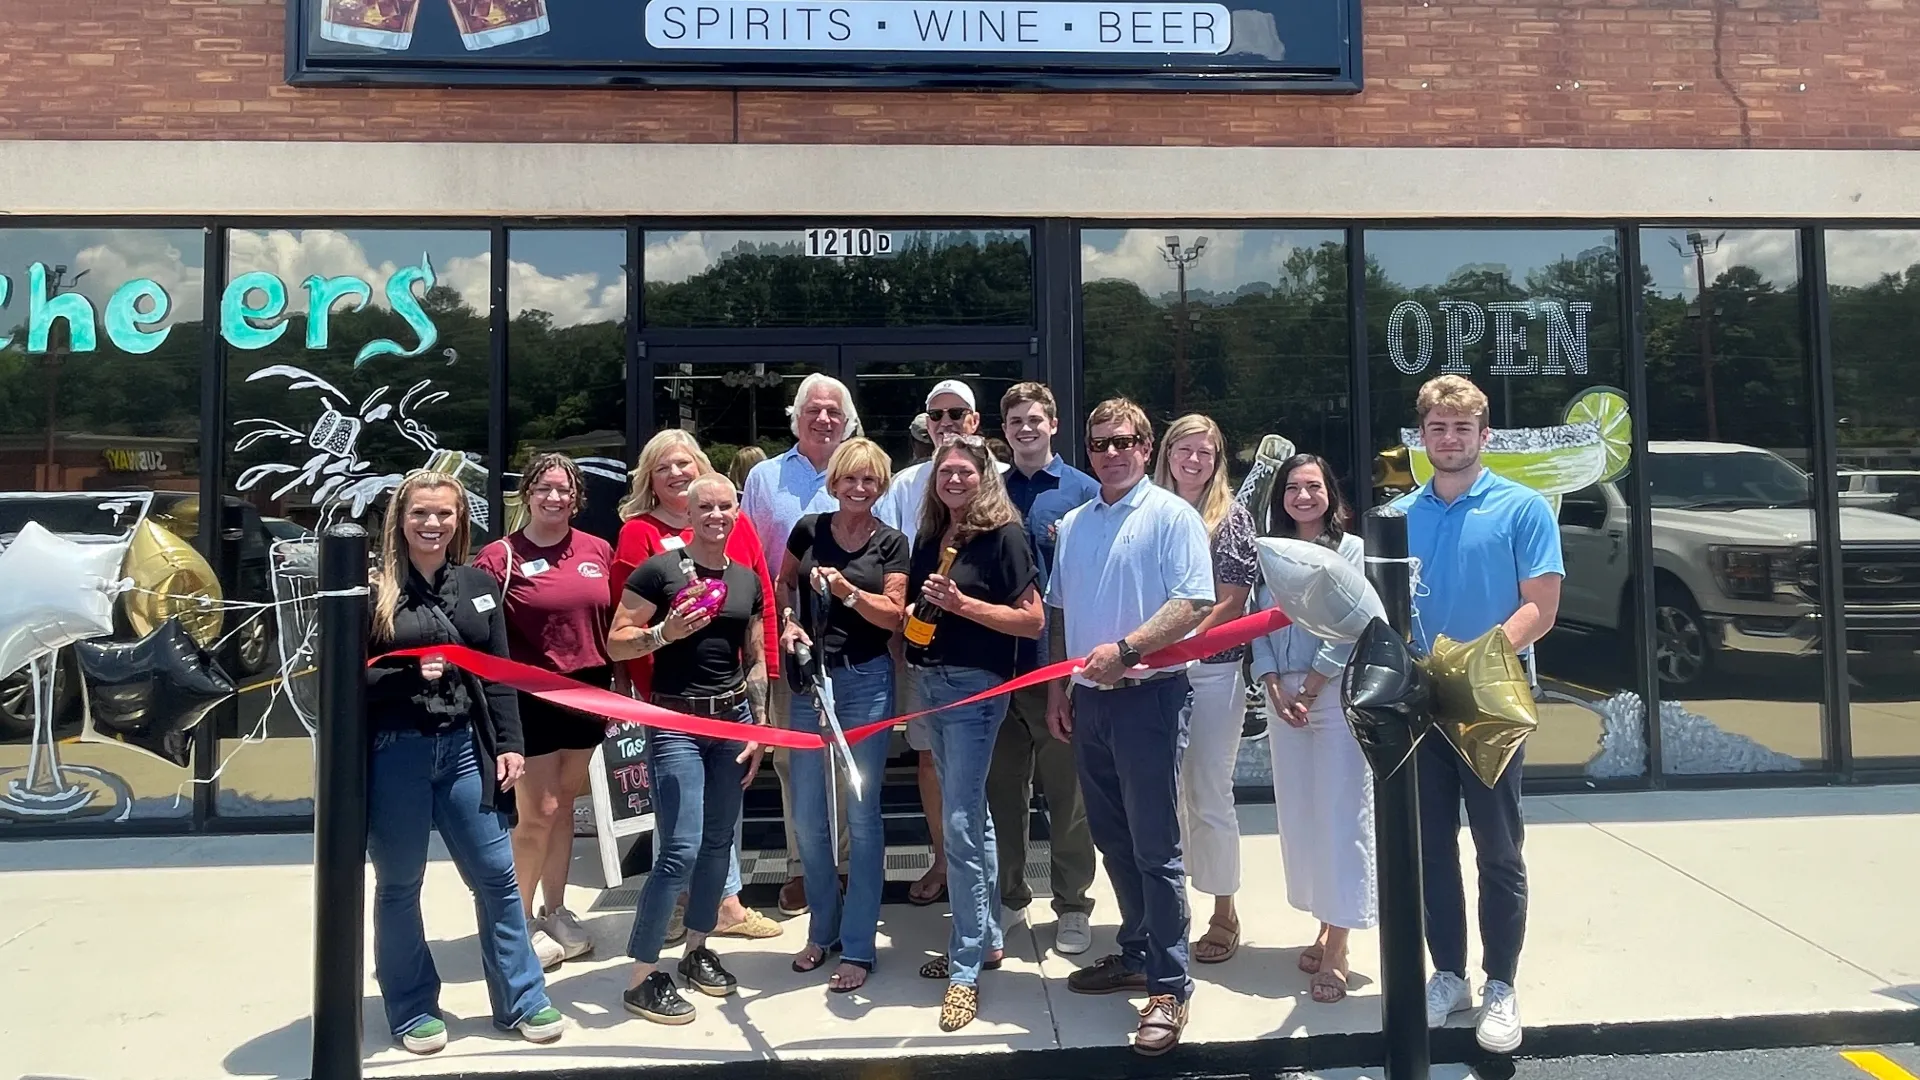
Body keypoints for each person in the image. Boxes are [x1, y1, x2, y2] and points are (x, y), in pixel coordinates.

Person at [364, 470, 566, 1054]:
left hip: (463, 750)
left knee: (498, 878)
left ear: (460, 521)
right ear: (400, 520)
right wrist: (402, 675)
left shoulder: (478, 584)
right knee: (401, 883)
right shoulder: (373, 590)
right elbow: (341, 684)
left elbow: (499, 675)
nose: (432, 524)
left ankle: (522, 999)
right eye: (420, 513)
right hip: (395, 752)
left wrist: (510, 743)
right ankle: (410, 1007)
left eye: (444, 514)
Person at [1393, 374, 1562, 1054]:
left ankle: (1501, 985)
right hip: (1421, 702)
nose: (1450, 438)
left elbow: (1539, 611)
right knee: (1432, 847)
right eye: (1438, 427)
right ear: (1422, 436)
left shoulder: (1523, 509)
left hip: (1489, 702)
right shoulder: (1399, 513)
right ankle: (1449, 976)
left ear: (1483, 436)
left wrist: (1471, 662)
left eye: (1462, 428)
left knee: (1497, 849)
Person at [1046, 398, 1213, 1057]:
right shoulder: (1076, 522)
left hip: (1149, 699)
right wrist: (1063, 686)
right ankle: (1137, 951)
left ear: (1146, 447)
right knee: (1113, 841)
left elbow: (1195, 601)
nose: (1111, 453)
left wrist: (1129, 651)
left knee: (1156, 849)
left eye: (1124, 442)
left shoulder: (1172, 516)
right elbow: (1060, 612)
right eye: (1099, 444)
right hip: (1089, 704)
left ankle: (1169, 987)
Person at [608, 472, 769, 1025]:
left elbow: (755, 655)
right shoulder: (660, 570)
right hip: (675, 721)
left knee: (719, 843)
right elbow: (617, 637)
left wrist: (760, 725)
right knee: (679, 846)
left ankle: (696, 948)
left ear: (737, 511)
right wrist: (663, 635)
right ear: (689, 511)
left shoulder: (746, 578)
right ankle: (640, 976)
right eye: (707, 507)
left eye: (726, 507)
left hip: (733, 722)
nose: (717, 516)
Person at [903, 435, 1043, 1031]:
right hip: (930, 683)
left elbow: (1032, 619)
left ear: (984, 477)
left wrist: (962, 606)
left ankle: (963, 970)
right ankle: (985, 939)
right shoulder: (930, 537)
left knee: (959, 822)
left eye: (964, 472)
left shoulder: (1006, 536)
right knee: (973, 818)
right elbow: (913, 609)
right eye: (945, 471)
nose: (954, 480)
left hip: (975, 690)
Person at [777, 437, 909, 994]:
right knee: (808, 815)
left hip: (866, 681)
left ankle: (858, 946)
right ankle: (822, 930)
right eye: (849, 479)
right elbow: (784, 582)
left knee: (862, 814)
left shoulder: (892, 543)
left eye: (870, 480)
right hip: (811, 682)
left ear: (881, 486)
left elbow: (895, 617)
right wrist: (789, 623)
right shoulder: (809, 529)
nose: (858, 488)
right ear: (833, 483)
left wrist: (850, 592)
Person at [473, 454, 615, 971]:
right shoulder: (500, 556)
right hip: (528, 695)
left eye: (564, 490)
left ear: (577, 499)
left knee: (566, 807)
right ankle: (520, 921)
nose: (555, 498)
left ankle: (556, 910)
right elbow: (476, 629)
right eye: (544, 488)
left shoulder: (598, 549)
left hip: (588, 691)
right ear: (527, 494)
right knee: (537, 813)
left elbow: (610, 623)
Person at [1249, 453, 1377, 1004]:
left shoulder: (1352, 551)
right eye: (1293, 488)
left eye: (1314, 486)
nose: (1303, 496)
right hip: (1284, 701)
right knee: (1301, 817)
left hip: (1334, 696)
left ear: (1331, 493)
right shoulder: (1272, 553)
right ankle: (1324, 922)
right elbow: (1256, 625)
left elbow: (1353, 623)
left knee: (1343, 815)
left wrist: (1312, 685)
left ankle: (1340, 945)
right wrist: (1272, 682)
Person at [873, 378, 1005, 907]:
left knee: (989, 773)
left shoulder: (995, 480)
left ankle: (990, 890)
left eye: (958, 414)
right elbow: (894, 562)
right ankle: (945, 859)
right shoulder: (905, 484)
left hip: (986, 653)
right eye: (936, 415)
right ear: (925, 423)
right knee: (931, 758)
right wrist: (898, 638)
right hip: (922, 651)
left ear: (974, 422)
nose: (946, 422)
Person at [987, 381, 1100, 957]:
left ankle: (1073, 904)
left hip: (1060, 671)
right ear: (1003, 431)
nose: (1025, 429)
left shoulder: (1085, 491)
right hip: (997, 673)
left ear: (1053, 423)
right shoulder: (989, 493)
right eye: (1015, 422)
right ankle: (1009, 900)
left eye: (1035, 419)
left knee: (1067, 798)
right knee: (1003, 796)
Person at [743, 372, 860, 916]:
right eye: (813, 410)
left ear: (847, 418)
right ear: (796, 416)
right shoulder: (765, 478)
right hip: (787, 638)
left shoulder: (863, 474)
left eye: (833, 411)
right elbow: (749, 560)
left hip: (856, 640)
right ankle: (801, 868)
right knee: (795, 761)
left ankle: (842, 867)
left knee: (848, 754)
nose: (823, 419)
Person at [1152, 415, 1258, 967]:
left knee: (1208, 793)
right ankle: (1167, 912)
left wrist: (1175, 640)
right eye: (1184, 449)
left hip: (1211, 672)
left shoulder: (1232, 518)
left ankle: (1224, 910)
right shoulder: (1147, 509)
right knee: (1159, 798)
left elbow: (1232, 601)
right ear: (1166, 453)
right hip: (1151, 672)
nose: (1193, 461)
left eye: (1205, 452)